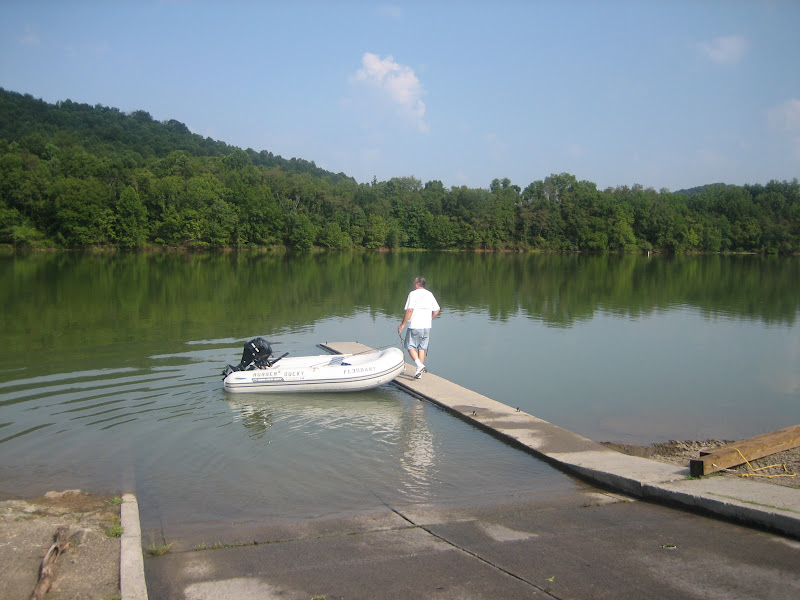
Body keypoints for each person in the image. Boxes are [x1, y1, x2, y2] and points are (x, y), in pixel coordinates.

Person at [398, 276, 440, 379]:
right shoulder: (429, 294)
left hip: (415, 325)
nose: (413, 284)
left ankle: (419, 365)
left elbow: (409, 310)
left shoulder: (413, 294)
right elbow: (437, 309)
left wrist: (402, 324)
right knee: (422, 348)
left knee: (409, 346)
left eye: (414, 282)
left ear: (417, 284)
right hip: (426, 326)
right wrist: (430, 319)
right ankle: (419, 373)